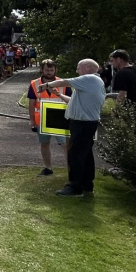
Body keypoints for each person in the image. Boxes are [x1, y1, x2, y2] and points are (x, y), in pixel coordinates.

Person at [40, 59, 106, 197]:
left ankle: (75, 187)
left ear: (87, 68)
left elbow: (64, 81)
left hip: (82, 124)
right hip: (85, 123)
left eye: (78, 68)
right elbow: (73, 101)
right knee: (85, 155)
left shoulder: (89, 78)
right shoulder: (92, 83)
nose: (76, 71)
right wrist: (58, 94)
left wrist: (46, 85)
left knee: (75, 155)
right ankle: (87, 184)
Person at [28, 59, 70, 177]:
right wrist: (31, 120)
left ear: (55, 70)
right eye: (47, 70)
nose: (49, 72)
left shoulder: (63, 82)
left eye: (52, 70)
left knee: (65, 144)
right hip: (42, 119)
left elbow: (70, 99)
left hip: (60, 119)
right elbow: (31, 103)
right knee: (44, 143)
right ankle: (48, 168)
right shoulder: (34, 84)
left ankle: (71, 168)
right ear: (42, 69)